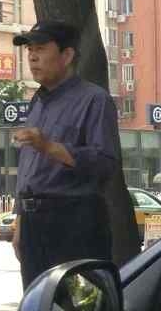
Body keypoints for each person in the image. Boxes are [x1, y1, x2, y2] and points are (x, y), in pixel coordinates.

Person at [10, 19, 122, 289]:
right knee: (38, 304)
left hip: (74, 221)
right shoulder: (37, 101)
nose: (32, 57)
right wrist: (20, 221)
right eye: (29, 50)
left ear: (67, 55)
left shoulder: (94, 99)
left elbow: (105, 163)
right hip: (33, 223)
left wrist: (49, 147)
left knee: (76, 306)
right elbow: (29, 168)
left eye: (40, 48)